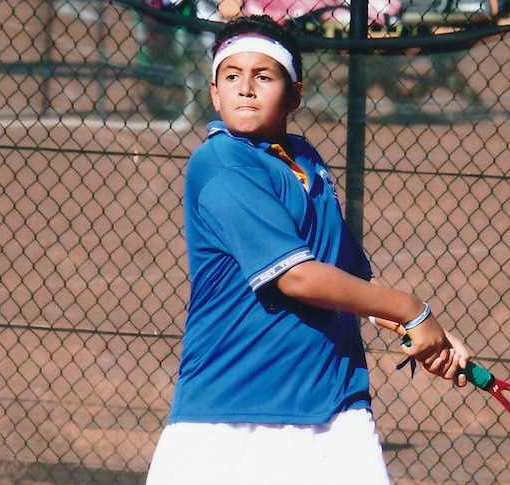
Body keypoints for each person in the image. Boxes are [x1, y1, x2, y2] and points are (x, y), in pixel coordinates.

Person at [146, 15, 471, 484]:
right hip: (228, 417)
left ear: (295, 95)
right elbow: (296, 276)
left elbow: (353, 279)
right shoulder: (219, 163)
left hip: (335, 409)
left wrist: (425, 336)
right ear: (215, 93)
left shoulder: (307, 162)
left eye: (264, 76)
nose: (246, 89)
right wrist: (413, 310)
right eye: (232, 77)